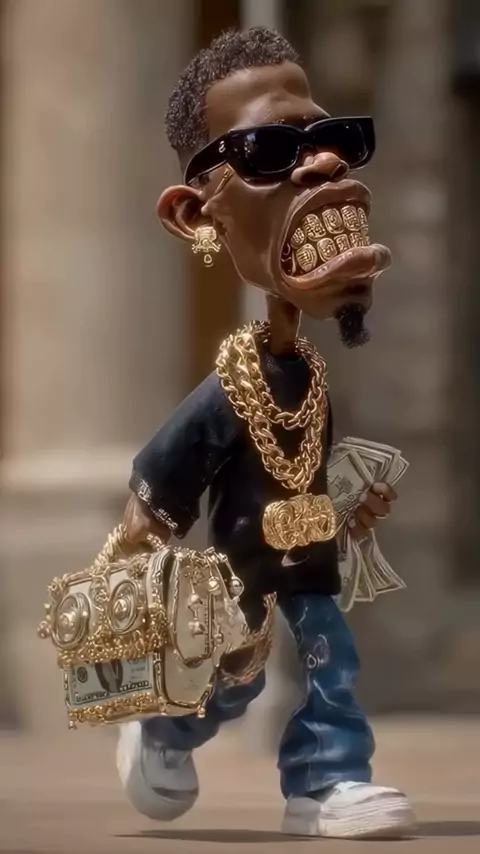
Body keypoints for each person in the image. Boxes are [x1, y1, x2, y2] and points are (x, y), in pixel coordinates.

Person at [116, 27, 415, 839]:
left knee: (328, 658)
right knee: (234, 682)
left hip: (309, 563)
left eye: (332, 138)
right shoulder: (228, 386)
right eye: (267, 149)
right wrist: (142, 568)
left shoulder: (307, 374)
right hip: (236, 575)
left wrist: (350, 505)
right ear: (195, 214)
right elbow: (159, 481)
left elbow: (307, 461)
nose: (324, 163)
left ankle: (326, 782)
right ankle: (166, 728)